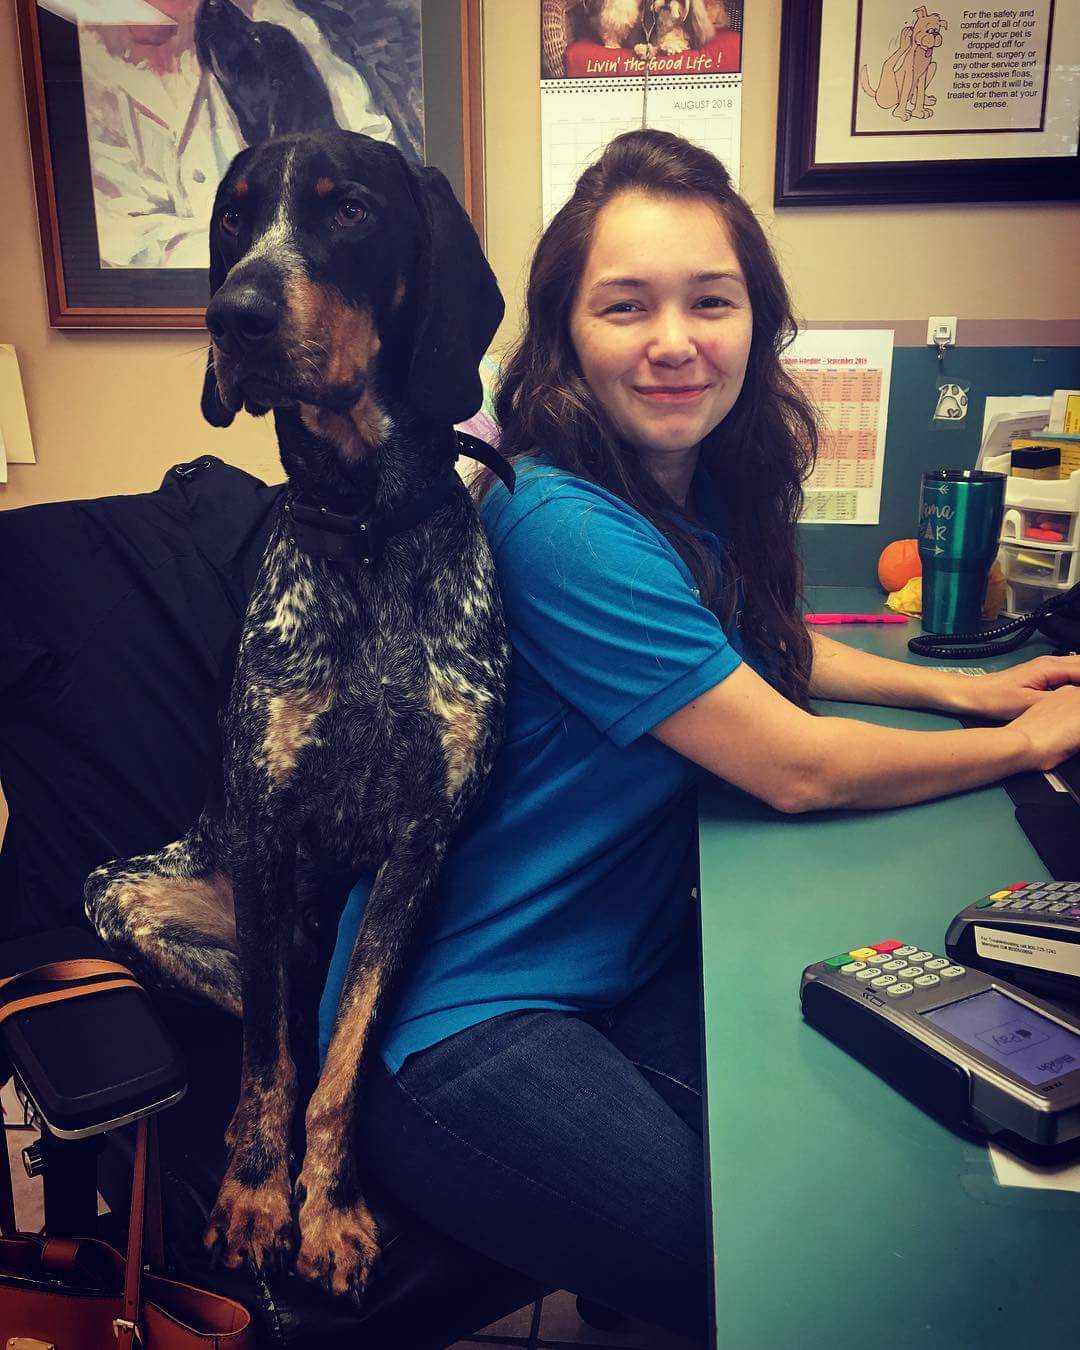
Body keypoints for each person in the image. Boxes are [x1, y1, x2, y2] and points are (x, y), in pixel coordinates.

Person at [324, 129, 1080, 1342]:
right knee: (796, 1280)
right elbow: (795, 762)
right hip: (463, 1025)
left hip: (609, 973)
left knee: (849, 1164)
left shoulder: (675, 493)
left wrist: (966, 693)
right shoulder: (559, 522)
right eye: (626, 306)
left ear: (755, 320)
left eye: (709, 301)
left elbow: (750, 647)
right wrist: (1028, 739)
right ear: (567, 333)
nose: (675, 341)